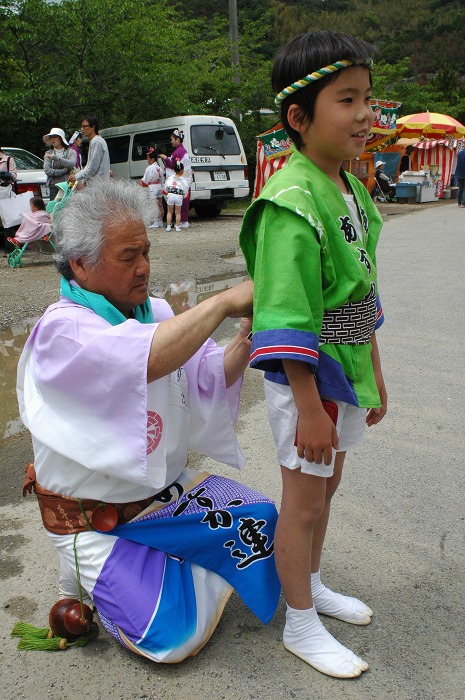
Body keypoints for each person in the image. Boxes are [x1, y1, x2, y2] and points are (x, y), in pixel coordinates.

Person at [17, 178, 280, 664]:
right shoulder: (62, 329)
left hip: (159, 498)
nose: (144, 268)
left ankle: (166, 559)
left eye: (147, 252)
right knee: (172, 637)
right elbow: (145, 359)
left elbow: (206, 375)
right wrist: (221, 302)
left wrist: (247, 334)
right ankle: (104, 572)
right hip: (94, 518)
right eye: (128, 256)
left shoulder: (154, 310)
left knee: (262, 523)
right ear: (81, 264)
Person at [239, 31, 387, 679]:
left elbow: (363, 288)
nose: (364, 114)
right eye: (345, 99)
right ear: (297, 119)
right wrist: (307, 404)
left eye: (367, 99)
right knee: (300, 500)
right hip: (310, 376)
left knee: (329, 488)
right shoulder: (288, 202)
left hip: (348, 366)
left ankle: (314, 585)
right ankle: (298, 623)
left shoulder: (348, 188)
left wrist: (374, 372)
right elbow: (284, 315)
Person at [159, 129, 192, 227]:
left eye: (172, 139)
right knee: (183, 200)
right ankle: (183, 221)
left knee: (181, 201)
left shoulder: (178, 152)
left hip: (183, 180)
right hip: (186, 179)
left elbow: (174, 165)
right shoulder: (181, 151)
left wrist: (165, 158)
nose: (171, 141)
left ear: (178, 139)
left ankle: (183, 221)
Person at [68, 115, 110, 186]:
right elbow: (89, 166)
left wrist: (77, 176)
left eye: (84, 126)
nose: (82, 129)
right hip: (98, 184)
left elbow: (92, 167)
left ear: (93, 127)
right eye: (82, 126)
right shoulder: (95, 141)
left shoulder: (96, 142)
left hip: (98, 185)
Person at [43, 128, 77, 201]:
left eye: (55, 137)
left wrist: (56, 158)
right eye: (51, 137)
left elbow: (71, 164)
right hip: (54, 186)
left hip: (68, 185)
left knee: (69, 209)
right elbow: (47, 171)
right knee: (54, 210)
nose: (52, 139)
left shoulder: (71, 152)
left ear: (61, 138)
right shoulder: (48, 153)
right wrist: (64, 170)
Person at [141, 146, 164, 228]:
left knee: (153, 204)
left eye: (148, 158)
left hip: (152, 187)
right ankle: (160, 221)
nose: (147, 160)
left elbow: (146, 180)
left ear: (152, 159)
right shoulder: (159, 168)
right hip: (159, 186)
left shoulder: (149, 168)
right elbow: (162, 178)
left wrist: (143, 183)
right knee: (160, 204)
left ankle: (155, 222)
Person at [163, 159, 189, 232]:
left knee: (169, 212)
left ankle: (168, 226)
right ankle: (177, 226)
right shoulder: (183, 180)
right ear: (182, 171)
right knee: (177, 212)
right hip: (178, 196)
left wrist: (167, 192)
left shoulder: (170, 178)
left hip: (171, 195)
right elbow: (185, 189)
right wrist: (184, 195)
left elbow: (166, 187)